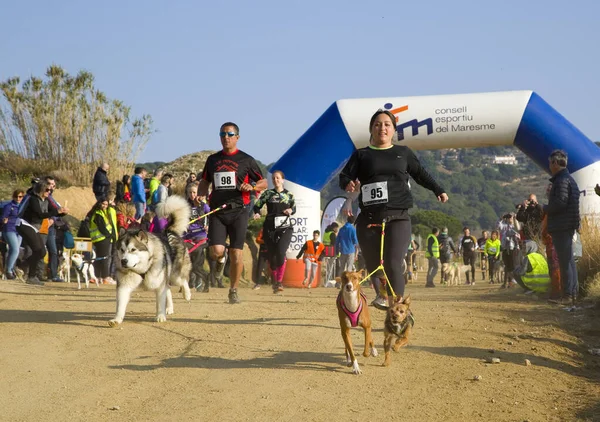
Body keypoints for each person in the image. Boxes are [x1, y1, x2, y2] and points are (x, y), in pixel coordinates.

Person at [339, 109, 448, 308]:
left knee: (392, 262)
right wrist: (348, 184)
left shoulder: (403, 153)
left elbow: (421, 174)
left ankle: (396, 309)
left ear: (394, 129)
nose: (382, 128)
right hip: (369, 217)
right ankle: (382, 294)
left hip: (398, 216)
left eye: (387, 124)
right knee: (373, 265)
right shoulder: (362, 155)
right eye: (378, 124)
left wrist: (437, 189)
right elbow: (344, 177)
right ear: (371, 129)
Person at [198, 122, 267, 303]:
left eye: (230, 134)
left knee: (237, 253)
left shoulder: (246, 160)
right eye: (222, 134)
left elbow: (263, 183)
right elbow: (205, 181)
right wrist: (200, 194)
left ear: (237, 137)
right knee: (216, 251)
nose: (226, 137)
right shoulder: (212, 160)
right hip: (217, 210)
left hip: (239, 211)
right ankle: (221, 259)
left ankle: (233, 290)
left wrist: (251, 186)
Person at [544, 150, 580, 305]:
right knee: (569, 261)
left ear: (555, 163)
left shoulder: (562, 180)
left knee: (565, 262)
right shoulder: (568, 179)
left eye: (550, 162)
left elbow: (560, 203)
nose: (549, 166)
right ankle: (572, 294)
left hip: (562, 225)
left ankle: (568, 295)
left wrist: (544, 207)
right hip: (567, 224)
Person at [253, 170, 296, 293]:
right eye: (273, 178)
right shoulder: (268, 194)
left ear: (282, 180)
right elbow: (257, 206)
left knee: (281, 252)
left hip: (285, 227)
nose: (275, 180)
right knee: (272, 257)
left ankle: (279, 282)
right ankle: (275, 280)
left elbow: (294, 208)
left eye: (278, 178)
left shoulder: (289, 195)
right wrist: (257, 213)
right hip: (270, 227)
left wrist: (290, 211)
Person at [185, 183, 211, 291]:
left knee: (198, 261)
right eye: (190, 192)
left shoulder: (204, 206)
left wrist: (208, 225)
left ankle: (201, 281)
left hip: (200, 235)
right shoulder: (185, 205)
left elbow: (211, 217)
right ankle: (190, 280)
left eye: (194, 192)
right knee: (188, 260)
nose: (192, 195)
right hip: (188, 235)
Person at [88, 198, 118, 285]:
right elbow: (102, 227)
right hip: (102, 239)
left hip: (99, 239)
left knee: (99, 259)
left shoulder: (100, 213)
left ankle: (97, 277)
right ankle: (105, 277)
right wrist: (109, 236)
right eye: (103, 204)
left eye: (106, 204)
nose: (104, 206)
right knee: (105, 259)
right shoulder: (98, 214)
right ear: (99, 203)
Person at [2, 190, 24, 279]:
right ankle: (9, 271)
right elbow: (3, 217)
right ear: (14, 197)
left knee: (14, 251)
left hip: (20, 230)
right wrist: (4, 220)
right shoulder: (9, 206)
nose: (18, 199)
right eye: (17, 197)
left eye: (21, 197)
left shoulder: (24, 206)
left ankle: (9, 268)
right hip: (9, 229)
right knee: (15, 250)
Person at [497, 213, 521, 288]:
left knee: (513, 265)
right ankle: (505, 283)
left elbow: (518, 230)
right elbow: (498, 226)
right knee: (506, 266)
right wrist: (501, 218)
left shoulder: (515, 226)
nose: (509, 219)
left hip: (513, 248)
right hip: (505, 248)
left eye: (510, 217)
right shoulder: (504, 226)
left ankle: (513, 282)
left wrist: (515, 218)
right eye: (508, 218)